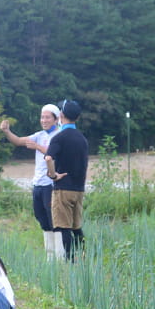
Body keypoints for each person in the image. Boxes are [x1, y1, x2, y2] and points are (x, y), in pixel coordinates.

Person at [0, 104, 62, 259]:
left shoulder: (60, 135)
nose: (44, 120)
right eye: (42, 117)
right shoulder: (39, 135)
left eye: (47, 117)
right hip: (38, 184)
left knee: (53, 219)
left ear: (56, 119)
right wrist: (7, 131)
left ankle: (60, 256)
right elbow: (19, 141)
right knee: (41, 218)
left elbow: (56, 154)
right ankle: (50, 257)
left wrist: (38, 147)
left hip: (52, 183)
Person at [45, 100, 89, 261]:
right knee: (76, 226)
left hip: (62, 188)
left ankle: (70, 261)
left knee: (63, 227)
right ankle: (84, 256)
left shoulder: (59, 137)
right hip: (79, 189)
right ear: (77, 117)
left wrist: (53, 175)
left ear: (61, 115)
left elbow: (49, 157)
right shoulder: (82, 139)